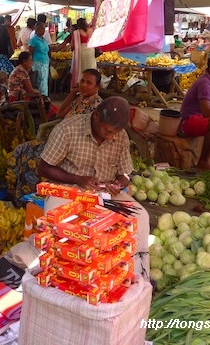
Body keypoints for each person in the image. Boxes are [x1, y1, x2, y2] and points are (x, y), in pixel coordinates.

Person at [37, 96, 150, 279]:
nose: (111, 136)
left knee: (141, 217)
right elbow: (43, 167)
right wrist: (78, 179)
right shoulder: (68, 129)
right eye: (108, 131)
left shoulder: (120, 136)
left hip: (106, 195)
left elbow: (125, 174)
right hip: (70, 191)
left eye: (115, 132)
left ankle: (136, 275)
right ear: (96, 116)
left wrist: (119, 183)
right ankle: (64, 274)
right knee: (59, 222)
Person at [29, 21, 50, 96]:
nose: (43, 31)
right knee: (39, 81)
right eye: (42, 29)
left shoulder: (43, 39)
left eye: (44, 29)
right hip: (37, 62)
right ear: (37, 29)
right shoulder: (34, 40)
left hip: (45, 63)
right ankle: (40, 97)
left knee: (44, 81)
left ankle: (44, 96)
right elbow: (30, 52)